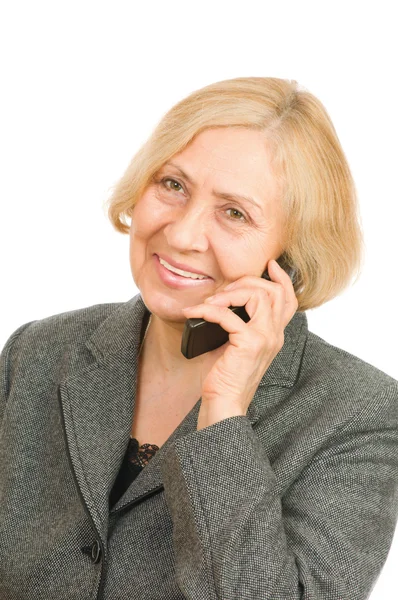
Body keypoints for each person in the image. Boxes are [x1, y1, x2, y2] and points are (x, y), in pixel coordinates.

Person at [0, 76, 397, 600]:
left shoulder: (362, 415)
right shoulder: (39, 351)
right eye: (172, 185)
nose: (183, 235)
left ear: (290, 260)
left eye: (235, 213)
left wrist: (224, 413)